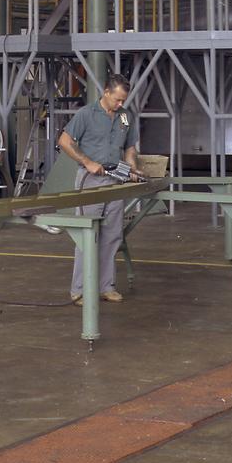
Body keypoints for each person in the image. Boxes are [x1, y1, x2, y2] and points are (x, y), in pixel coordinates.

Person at [58, 73, 141, 304]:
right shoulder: (86, 114)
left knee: (112, 235)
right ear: (106, 92)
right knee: (88, 237)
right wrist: (88, 162)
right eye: (117, 99)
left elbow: (130, 148)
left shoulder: (125, 117)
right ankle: (79, 291)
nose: (121, 104)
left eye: (124, 100)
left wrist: (132, 168)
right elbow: (64, 141)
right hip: (91, 180)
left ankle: (106, 286)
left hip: (116, 180)